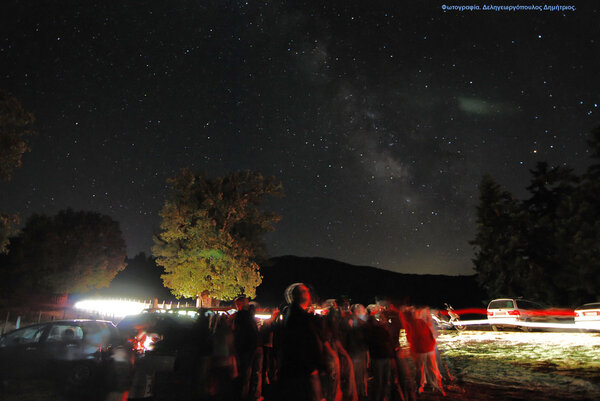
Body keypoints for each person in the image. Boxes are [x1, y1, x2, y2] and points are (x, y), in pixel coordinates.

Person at [278, 283, 324, 401]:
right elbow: (300, 343)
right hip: (301, 369)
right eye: (304, 291)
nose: (308, 294)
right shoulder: (297, 316)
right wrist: (311, 367)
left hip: (300, 368)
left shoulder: (297, 313)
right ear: (296, 295)